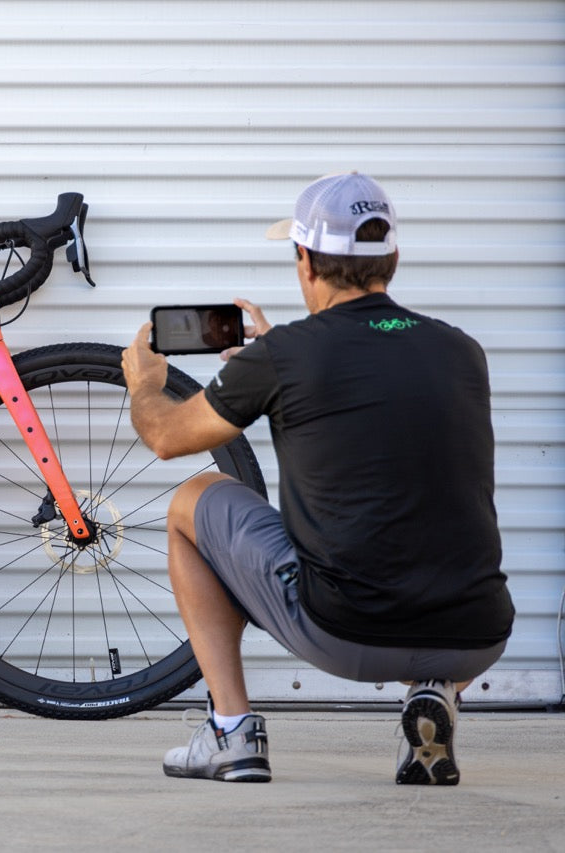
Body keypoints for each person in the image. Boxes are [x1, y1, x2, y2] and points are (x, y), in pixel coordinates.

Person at [121, 172, 514, 785]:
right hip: (478, 635)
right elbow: (375, 389)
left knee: (192, 500)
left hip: (345, 633)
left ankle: (231, 734)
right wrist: (279, 353)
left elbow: (168, 438)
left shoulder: (285, 357)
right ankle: (433, 693)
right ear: (393, 259)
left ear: (304, 261)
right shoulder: (462, 351)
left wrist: (145, 384)